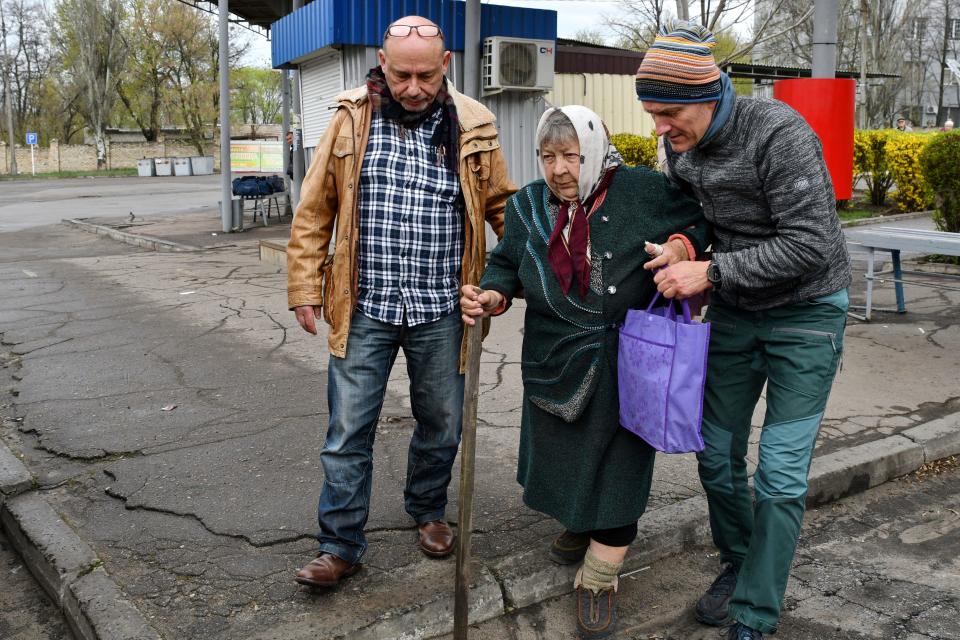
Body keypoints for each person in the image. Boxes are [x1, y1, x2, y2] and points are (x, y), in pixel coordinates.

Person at [635, 21, 851, 640]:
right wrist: (683, 245)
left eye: (669, 113)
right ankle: (740, 561)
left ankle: (755, 610)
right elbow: (695, 218)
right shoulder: (681, 145)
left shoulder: (779, 135)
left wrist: (711, 271)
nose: (660, 129)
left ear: (711, 92)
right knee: (716, 456)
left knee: (779, 474)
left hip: (807, 315)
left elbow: (809, 246)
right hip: (736, 311)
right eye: (652, 114)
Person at [461, 105, 708, 639]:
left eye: (570, 155)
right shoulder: (529, 204)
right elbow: (506, 262)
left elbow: (701, 219)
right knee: (566, 458)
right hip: (554, 359)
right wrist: (493, 293)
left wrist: (681, 247)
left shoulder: (641, 190)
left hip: (629, 361)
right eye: (548, 157)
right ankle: (581, 518)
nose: (559, 169)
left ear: (592, 151)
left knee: (618, 466)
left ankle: (599, 576)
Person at [287, 14, 516, 589]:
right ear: (383, 65)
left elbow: (503, 211)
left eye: (424, 75)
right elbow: (315, 210)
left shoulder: (475, 124)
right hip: (364, 303)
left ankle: (428, 509)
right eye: (401, 75)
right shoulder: (349, 117)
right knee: (347, 432)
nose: (412, 88)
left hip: (444, 307)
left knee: (441, 423)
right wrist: (303, 287)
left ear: (445, 66)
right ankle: (339, 545)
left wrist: (512, 280)